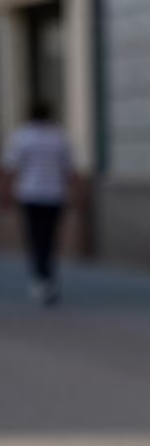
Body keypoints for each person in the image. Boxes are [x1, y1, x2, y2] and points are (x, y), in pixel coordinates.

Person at [1, 101, 78, 305]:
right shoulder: (59, 136)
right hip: (54, 194)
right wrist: (76, 194)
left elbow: (10, 167)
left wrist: (5, 194)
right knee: (50, 237)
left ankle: (40, 277)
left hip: (30, 194)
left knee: (35, 237)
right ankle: (47, 277)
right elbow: (69, 170)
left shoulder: (22, 136)